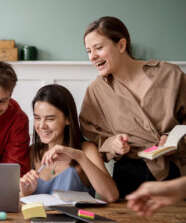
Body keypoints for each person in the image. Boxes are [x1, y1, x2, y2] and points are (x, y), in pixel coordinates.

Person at [80, 16, 186, 198]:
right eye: (89, 51)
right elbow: (91, 137)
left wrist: (172, 138)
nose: (92, 56)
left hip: (174, 172)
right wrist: (112, 144)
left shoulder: (170, 75)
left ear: (121, 45)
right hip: (128, 176)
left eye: (99, 48)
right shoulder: (96, 91)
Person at [19, 84, 118, 202]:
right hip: (39, 220)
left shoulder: (86, 150)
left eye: (50, 119)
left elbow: (110, 196)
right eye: (37, 118)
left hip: (75, 220)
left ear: (67, 119)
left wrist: (79, 157)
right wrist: (24, 194)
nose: (41, 126)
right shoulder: (31, 152)